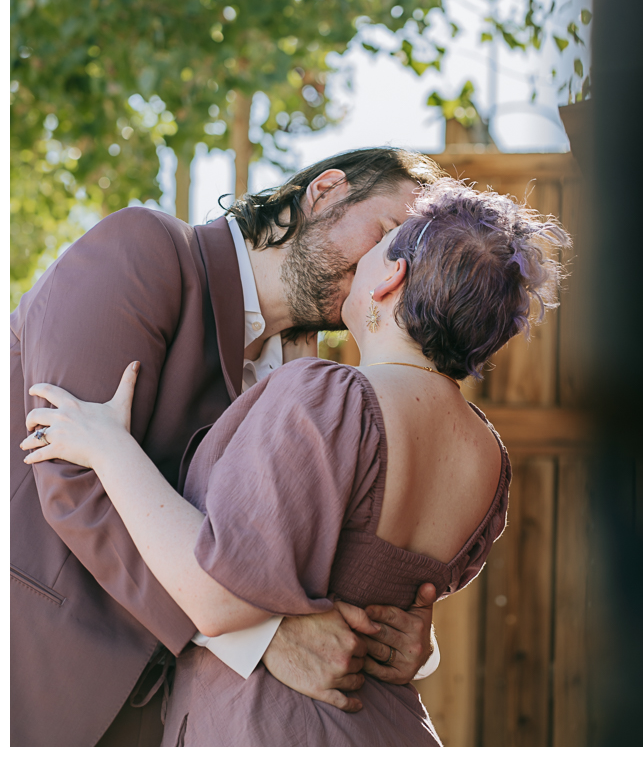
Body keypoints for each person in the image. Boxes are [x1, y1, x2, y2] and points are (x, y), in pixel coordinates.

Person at [22, 179, 570, 746]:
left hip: (272, 727)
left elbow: (216, 592)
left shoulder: (328, 397)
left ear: (391, 278)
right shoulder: (488, 454)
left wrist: (109, 448)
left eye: (383, 244)